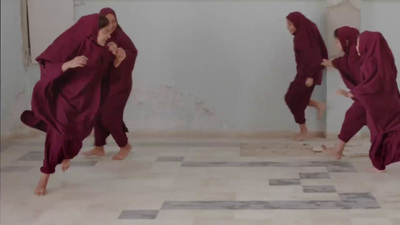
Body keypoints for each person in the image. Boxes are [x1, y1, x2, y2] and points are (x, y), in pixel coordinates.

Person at [20, 13, 126, 196]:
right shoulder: (75, 43)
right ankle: (44, 177)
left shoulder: (103, 50)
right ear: (93, 31)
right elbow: (47, 64)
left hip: (86, 103)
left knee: (76, 137)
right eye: (106, 32)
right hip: (64, 100)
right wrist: (68, 64)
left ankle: (66, 156)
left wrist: (117, 60)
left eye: (110, 32)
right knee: (57, 137)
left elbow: (105, 73)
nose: (109, 36)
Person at [339, 31, 400, 172]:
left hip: (381, 105)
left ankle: (379, 165)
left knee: (383, 132)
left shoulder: (371, 61)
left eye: (359, 43)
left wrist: (352, 93)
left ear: (368, 44)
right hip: (388, 102)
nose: (356, 47)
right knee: (388, 132)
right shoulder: (383, 59)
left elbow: (373, 84)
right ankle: (379, 164)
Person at [83, 8, 138, 160]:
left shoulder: (121, 36)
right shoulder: (100, 36)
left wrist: (121, 55)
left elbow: (132, 52)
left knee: (109, 115)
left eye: (114, 21)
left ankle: (124, 145)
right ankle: (99, 147)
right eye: (108, 22)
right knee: (98, 113)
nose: (112, 25)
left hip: (120, 84)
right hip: (104, 83)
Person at [321, 26, 367, 159]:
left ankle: (380, 161)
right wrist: (330, 63)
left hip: (372, 98)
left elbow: (351, 68)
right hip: (365, 98)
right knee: (352, 117)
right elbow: (343, 63)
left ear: (345, 41)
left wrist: (352, 93)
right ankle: (338, 150)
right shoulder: (353, 54)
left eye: (337, 41)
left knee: (384, 129)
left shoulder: (355, 54)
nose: (336, 45)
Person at [285, 12, 328, 140]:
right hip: (304, 73)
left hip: (307, 75)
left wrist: (310, 76)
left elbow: (313, 56)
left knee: (292, 99)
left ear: (297, 23)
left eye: (290, 24)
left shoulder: (303, 37)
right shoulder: (303, 34)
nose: (288, 27)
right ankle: (318, 105)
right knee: (294, 98)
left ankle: (304, 131)